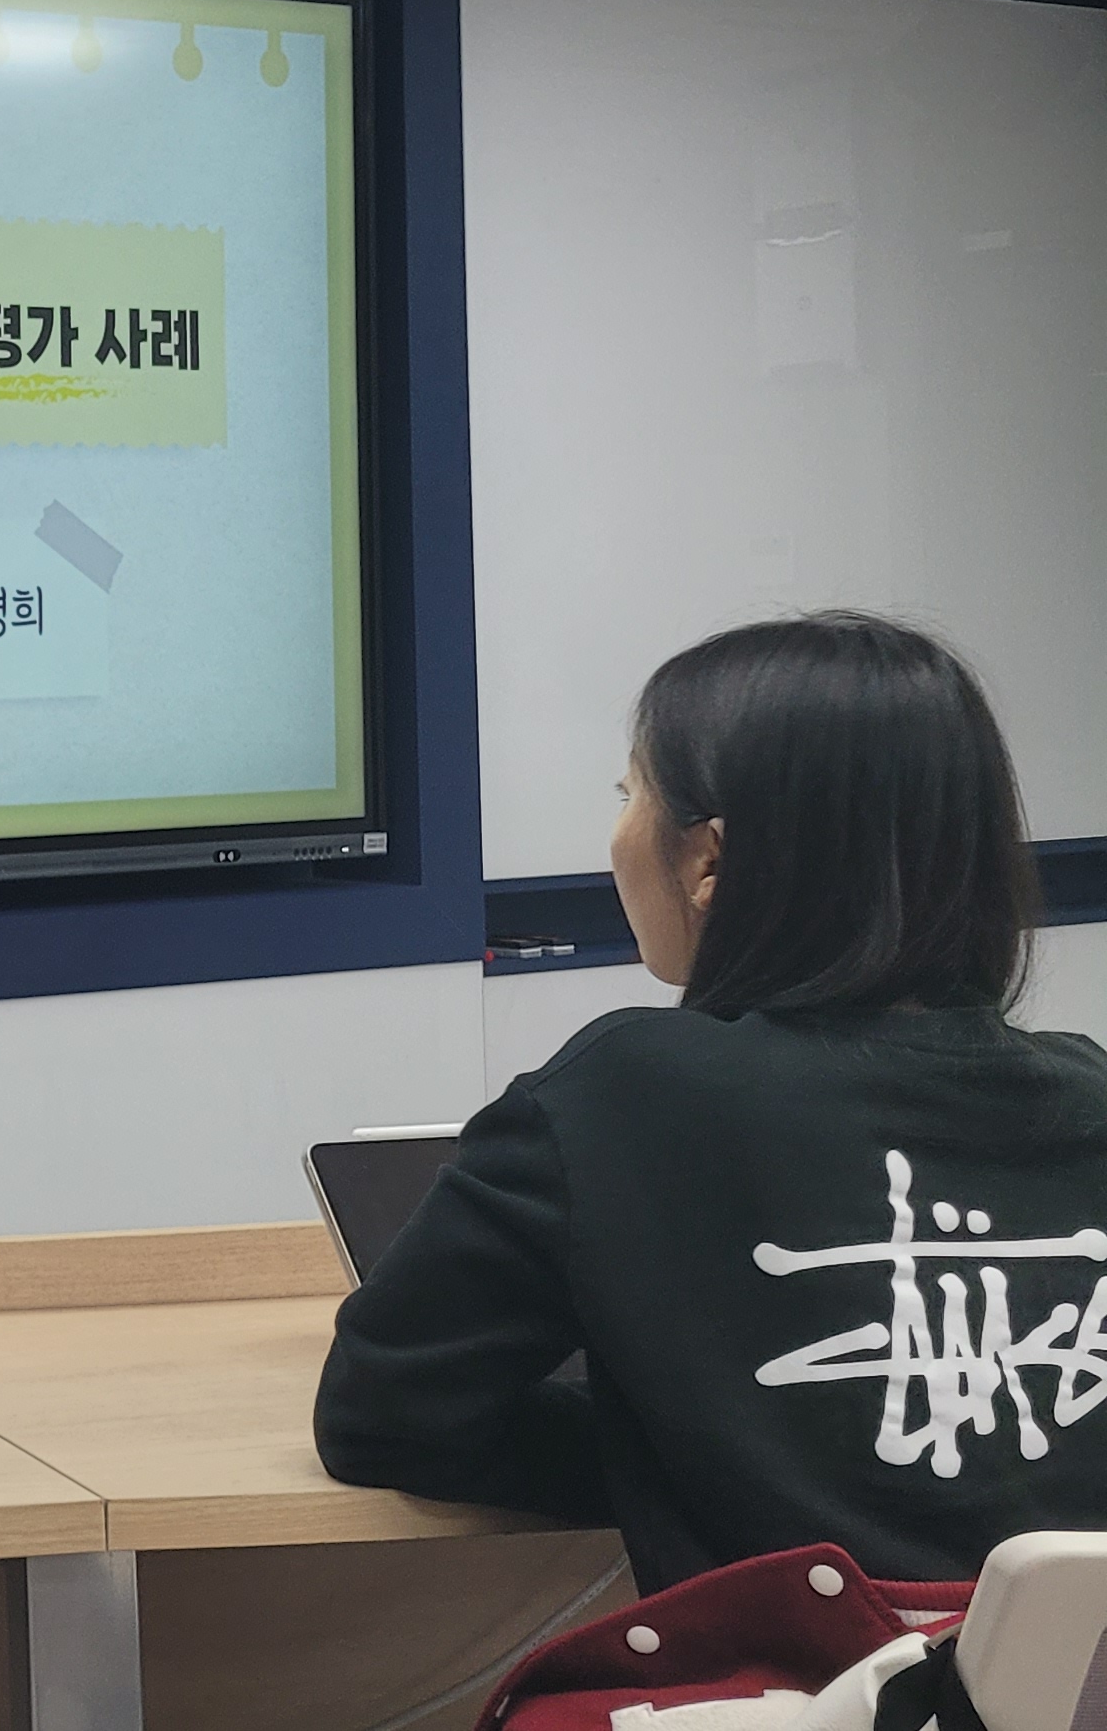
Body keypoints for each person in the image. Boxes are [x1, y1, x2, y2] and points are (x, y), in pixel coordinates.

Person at [316, 612, 1079, 1589]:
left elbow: (387, 1415)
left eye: (630, 794)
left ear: (708, 859)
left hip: (810, 1669)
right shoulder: (1089, 1091)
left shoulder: (625, 1094)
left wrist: (689, 1451)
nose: (618, 832)